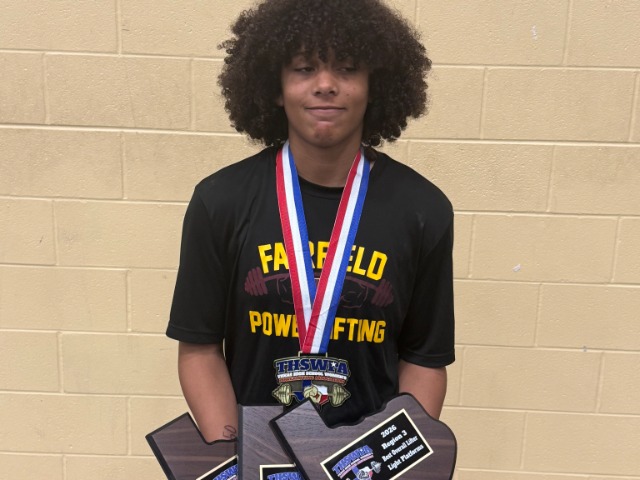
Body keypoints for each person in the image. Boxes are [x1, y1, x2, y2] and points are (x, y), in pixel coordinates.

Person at [167, 0, 455, 443]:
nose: (325, 85)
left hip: (365, 463)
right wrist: (236, 457)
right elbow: (200, 348)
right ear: (275, 87)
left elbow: (424, 358)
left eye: (347, 68)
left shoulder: (423, 209)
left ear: (374, 86)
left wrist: (384, 458)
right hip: (255, 461)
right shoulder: (219, 201)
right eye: (304, 68)